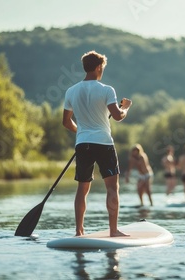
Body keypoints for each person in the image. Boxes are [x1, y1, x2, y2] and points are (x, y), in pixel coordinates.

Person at [63, 50, 132, 237]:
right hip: (103, 143)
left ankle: (79, 231)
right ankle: (113, 231)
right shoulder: (107, 90)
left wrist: (83, 133)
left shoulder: (71, 91)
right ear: (98, 67)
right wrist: (125, 108)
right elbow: (117, 116)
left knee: (82, 187)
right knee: (112, 187)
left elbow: (66, 122)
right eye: (102, 67)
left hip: (83, 144)